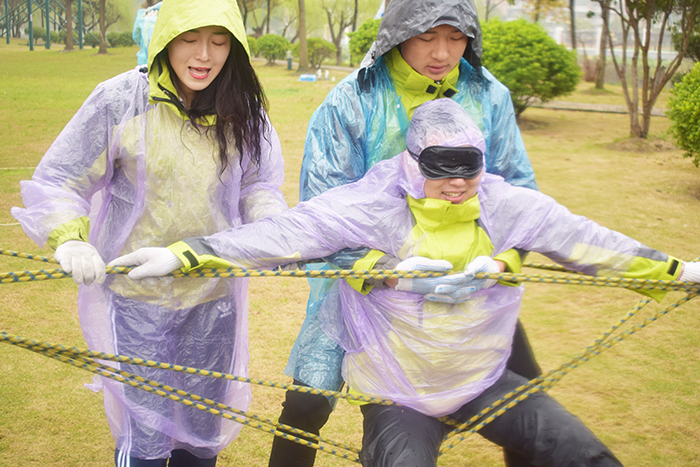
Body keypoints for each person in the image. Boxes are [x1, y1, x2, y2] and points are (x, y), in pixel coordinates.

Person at [110, 98, 700, 466]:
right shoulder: (370, 208)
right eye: (440, 170)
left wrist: (678, 274)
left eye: (468, 168)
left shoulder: (507, 205)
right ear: (411, 163)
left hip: (481, 379)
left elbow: (591, 243)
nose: (456, 184)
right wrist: (187, 255)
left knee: (584, 453)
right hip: (397, 392)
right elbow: (282, 236)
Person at [11, 0, 287, 465]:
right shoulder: (119, 100)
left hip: (212, 296)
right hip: (137, 299)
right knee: (147, 441)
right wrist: (70, 236)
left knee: (200, 437)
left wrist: (269, 227)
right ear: (164, 40)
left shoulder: (242, 108)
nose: (204, 55)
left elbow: (259, 184)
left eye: (219, 42)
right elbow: (63, 178)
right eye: (189, 39)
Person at [272, 0, 540, 465]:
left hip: (464, 278)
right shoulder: (353, 100)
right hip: (363, 281)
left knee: (525, 400)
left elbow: (518, 191)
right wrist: (385, 271)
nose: (442, 52)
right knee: (309, 399)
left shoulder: (488, 95)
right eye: (426, 36)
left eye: (456, 37)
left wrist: (499, 263)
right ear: (398, 34)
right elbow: (321, 207)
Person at [133, 1, 162, 66]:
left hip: (143, 60)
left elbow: (136, 36)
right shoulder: (165, 10)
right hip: (160, 61)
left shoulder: (143, 14)